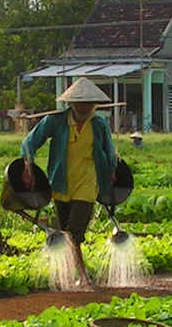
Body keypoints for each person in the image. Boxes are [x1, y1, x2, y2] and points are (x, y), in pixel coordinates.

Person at [20, 77, 119, 290]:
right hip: (60, 183)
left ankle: (81, 277)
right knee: (67, 233)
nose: (85, 108)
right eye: (81, 104)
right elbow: (29, 142)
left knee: (74, 231)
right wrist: (28, 165)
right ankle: (75, 276)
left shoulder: (99, 124)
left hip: (88, 182)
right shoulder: (55, 122)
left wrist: (112, 170)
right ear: (71, 104)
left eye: (89, 104)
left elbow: (110, 151)